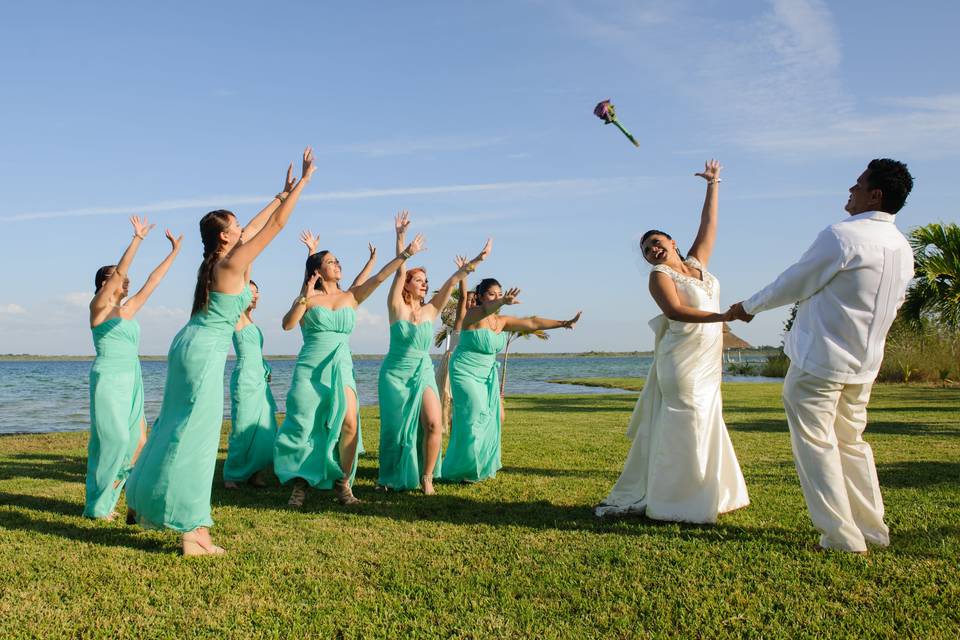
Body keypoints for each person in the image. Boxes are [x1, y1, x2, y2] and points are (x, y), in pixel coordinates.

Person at [127, 150, 315, 556]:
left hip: (192, 344)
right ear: (225, 236)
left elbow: (261, 223)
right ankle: (192, 532)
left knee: (177, 428)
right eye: (235, 226)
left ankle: (158, 504)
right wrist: (304, 181)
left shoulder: (218, 260)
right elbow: (276, 228)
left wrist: (280, 195)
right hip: (203, 350)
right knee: (196, 437)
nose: (242, 229)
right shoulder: (230, 264)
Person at [729, 158, 915, 553]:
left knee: (817, 445)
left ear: (875, 195)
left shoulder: (843, 236)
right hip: (864, 365)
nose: (851, 189)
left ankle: (840, 536)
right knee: (851, 443)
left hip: (821, 361)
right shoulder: (902, 247)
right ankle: (872, 531)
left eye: (859, 184)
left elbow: (795, 281)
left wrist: (749, 306)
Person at [595, 160, 750, 523]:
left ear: (672, 241)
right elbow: (677, 312)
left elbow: (709, 226)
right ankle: (674, 500)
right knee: (687, 421)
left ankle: (709, 493)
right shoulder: (659, 277)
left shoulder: (698, 264)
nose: (653, 250)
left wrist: (713, 184)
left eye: (657, 242)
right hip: (681, 361)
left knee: (708, 419)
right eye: (647, 249)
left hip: (709, 362)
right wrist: (723, 317)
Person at [274, 217, 426, 507]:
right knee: (304, 424)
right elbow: (287, 325)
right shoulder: (308, 298)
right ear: (318, 270)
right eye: (331, 262)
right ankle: (300, 485)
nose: (338, 264)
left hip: (341, 364)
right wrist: (303, 299)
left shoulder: (351, 296)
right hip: (310, 367)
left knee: (350, 423)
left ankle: (343, 485)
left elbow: (380, 278)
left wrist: (405, 254)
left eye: (338, 261)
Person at [378, 210, 491, 493]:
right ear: (407, 285)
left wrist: (478, 260)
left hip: (422, 370)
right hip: (394, 373)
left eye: (426, 281)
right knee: (393, 431)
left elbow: (453, 281)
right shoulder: (397, 308)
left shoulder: (430, 310)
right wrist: (402, 239)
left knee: (433, 423)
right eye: (419, 280)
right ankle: (389, 476)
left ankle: (427, 477)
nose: (424, 284)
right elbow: (399, 271)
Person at [84, 216, 181, 520]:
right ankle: (98, 506)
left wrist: (174, 252)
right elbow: (122, 272)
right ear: (103, 284)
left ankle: (127, 501)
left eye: (123, 278)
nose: (124, 281)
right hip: (109, 378)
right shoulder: (98, 309)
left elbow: (153, 281)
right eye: (116, 278)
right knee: (113, 441)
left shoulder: (128, 310)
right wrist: (137, 239)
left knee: (139, 443)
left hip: (132, 377)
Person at [442, 279, 581, 483]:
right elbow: (487, 309)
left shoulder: (502, 321)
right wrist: (502, 302)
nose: (497, 297)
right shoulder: (473, 315)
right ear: (480, 297)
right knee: (474, 414)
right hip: (465, 370)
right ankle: (460, 467)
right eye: (492, 294)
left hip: (487, 373)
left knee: (493, 417)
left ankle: (474, 466)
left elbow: (532, 322)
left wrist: (563, 323)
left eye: (499, 294)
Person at [223, 280, 278, 489]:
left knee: (265, 426)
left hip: (259, 379)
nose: (256, 296)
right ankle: (231, 474)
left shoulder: (251, 319)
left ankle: (256, 473)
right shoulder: (236, 315)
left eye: (258, 293)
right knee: (243, 425)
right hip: (245, 377)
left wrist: (265, 367)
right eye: (251, 292)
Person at [436, 281, 476, 432]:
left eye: (474, 300)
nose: (471, 302)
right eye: (469, 299)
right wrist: (463, 275)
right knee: (448, 403)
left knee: (463, 407)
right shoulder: (461, 320)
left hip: (467, 366)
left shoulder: (478, 323)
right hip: (452, 363)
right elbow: (462, 299)